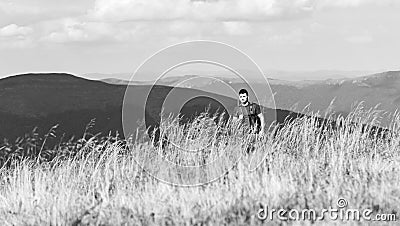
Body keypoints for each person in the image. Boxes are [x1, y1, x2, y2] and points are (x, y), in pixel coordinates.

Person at [232, 88, 265, 152]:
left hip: (254, 133)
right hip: (242, 135)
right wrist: (239, 119)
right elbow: (233, 123)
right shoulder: (237, 109)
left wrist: (262, 130)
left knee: (255, 151)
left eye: (244, 96)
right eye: (241, 97)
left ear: (247, 97)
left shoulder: (254, 107)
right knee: (244, 151)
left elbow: (261, 117)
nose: (242, 98)